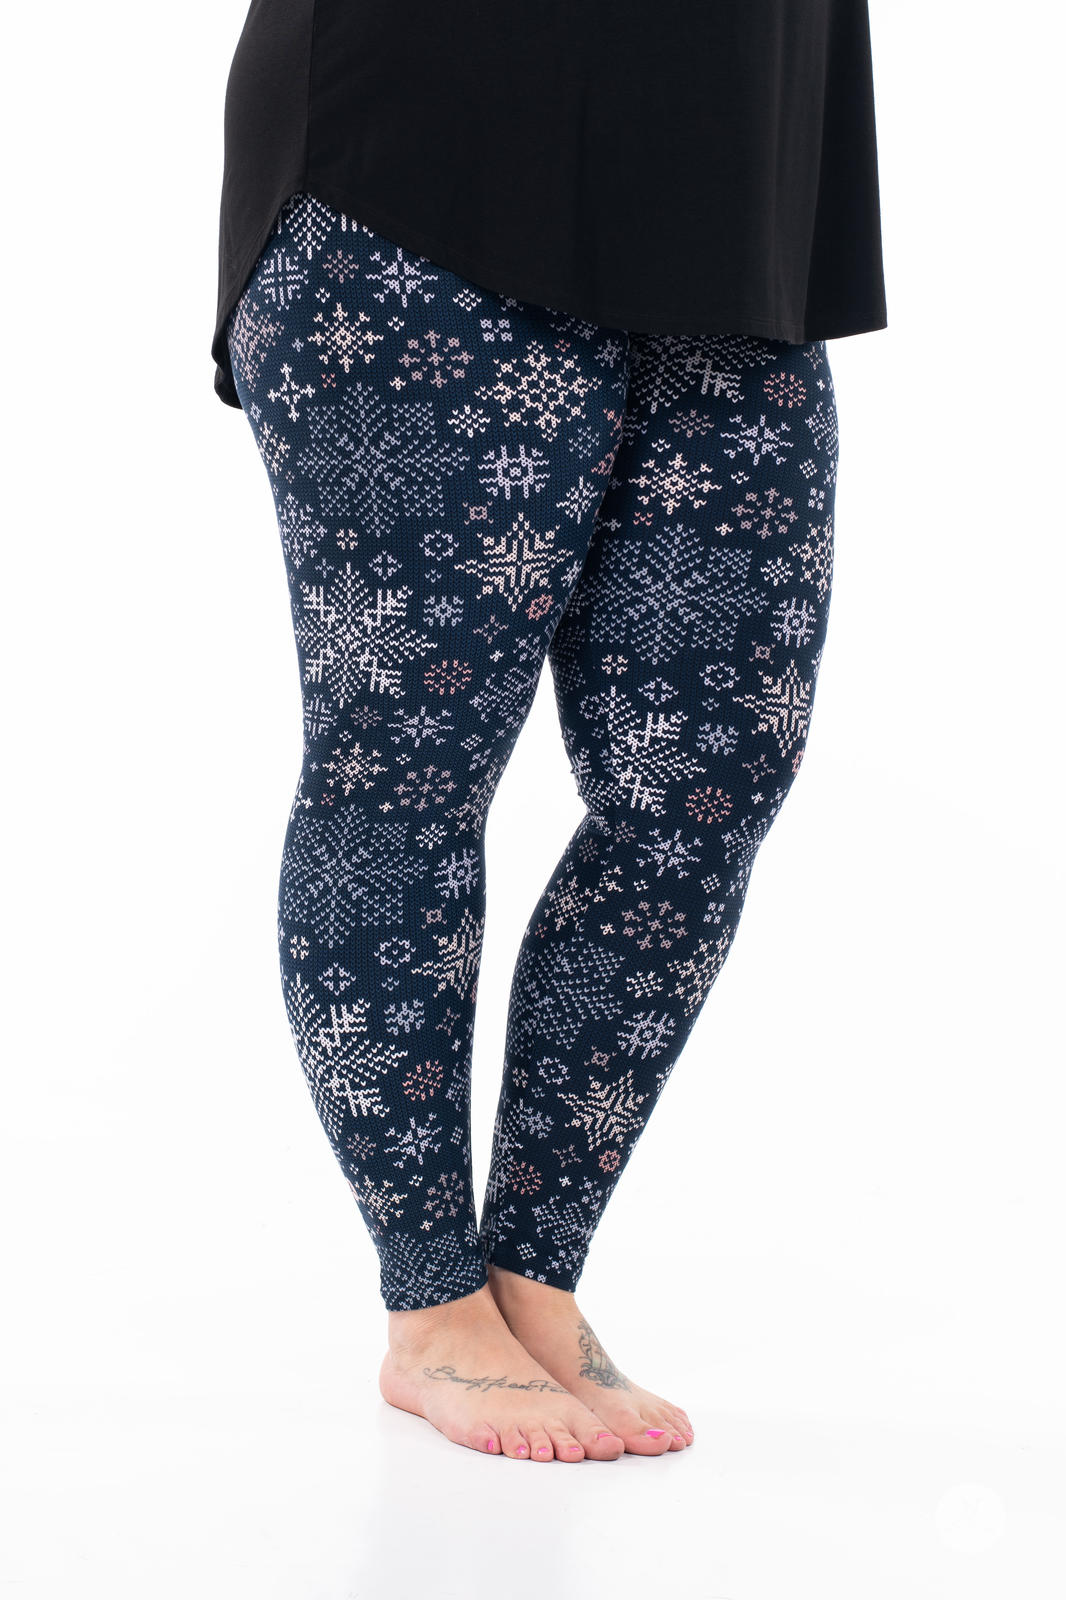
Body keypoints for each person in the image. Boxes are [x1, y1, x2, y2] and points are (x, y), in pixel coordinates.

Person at [210, 1, 886, 1463]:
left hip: (740, 202)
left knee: (708, 776)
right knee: (406, 764)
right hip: (421, 177)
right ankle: (428, 1305)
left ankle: (531, 1268)